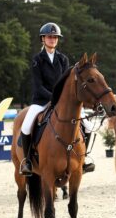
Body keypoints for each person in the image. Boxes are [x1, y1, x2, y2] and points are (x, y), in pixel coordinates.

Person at [20, 22, 95, 176]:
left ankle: (83, 159)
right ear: (43, 39)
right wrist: (54, 98)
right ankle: (27, 161)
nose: (52, 39)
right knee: (26, 126)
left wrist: (62, 99)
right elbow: (38, 85)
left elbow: (66, 83)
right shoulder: (37, 59)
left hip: (61, 102)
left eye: (55, 37)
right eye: (49, 37)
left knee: (87, 125)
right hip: (41, 101)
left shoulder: (63, 59)